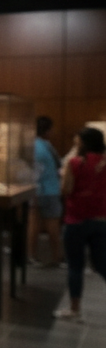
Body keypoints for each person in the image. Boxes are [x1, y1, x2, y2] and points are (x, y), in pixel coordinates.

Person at [55, 127, 106, 321]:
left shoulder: (75, 163)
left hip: (76, 219)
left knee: (75, 266)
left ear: (83, 143)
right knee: (102, 264)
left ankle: (75, 309)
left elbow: (66, 189)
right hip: (101, 218)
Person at [28, 116, 62, 266]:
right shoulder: (45, 146)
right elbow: (57, 165)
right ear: (47, 130)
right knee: (52, 225)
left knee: (34, 224)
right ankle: (56, 257)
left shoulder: (31, 145)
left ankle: (31, 256)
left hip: (35, 190)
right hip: (49, 190)